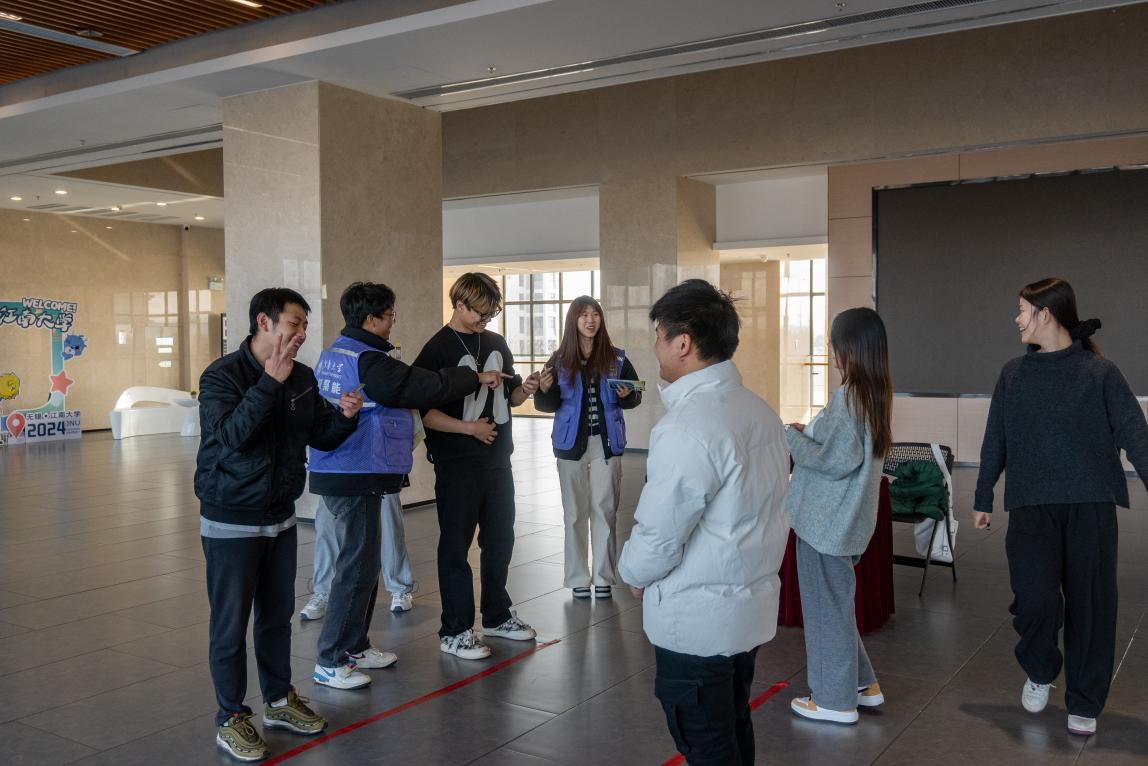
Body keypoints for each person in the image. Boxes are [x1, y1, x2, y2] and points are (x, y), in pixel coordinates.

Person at [619, 279, 790, 766]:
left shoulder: (688, 426)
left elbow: (660, 532)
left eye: (659, 335)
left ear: (683, 343)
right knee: (732, 726)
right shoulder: (758, 411)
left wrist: (633, 572)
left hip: (696, 622)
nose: (655, 347)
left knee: (708, 744)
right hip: (746, 611)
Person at [306, 282, 506, 690]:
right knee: (355, 568)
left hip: (358, 471)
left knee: (365, 564)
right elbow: (422, 386)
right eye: (389, 315)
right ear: (371, 319)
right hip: (354, 470)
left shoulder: (342, 352)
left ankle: (355, 646)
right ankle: (331, 659)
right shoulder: (368, 360)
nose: (393, 321)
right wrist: (472, 377)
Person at [974, 277, 1148, 737]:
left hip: (1091, 505)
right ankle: (1040, 667)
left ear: (1045, 313)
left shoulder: (1099, 372)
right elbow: (996, 438)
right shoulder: (1013, 374)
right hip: (1031, 507)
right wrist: (982, 494)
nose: (1016, 319)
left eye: (1021, 310)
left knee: (1091, 607)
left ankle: (1085, 700)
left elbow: (1135, 434)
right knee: (1034, 603)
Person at [195, 288, 361, 762]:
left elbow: (319, 434)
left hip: (280, 517)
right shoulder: (222, 376)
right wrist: (269, 383)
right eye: (294, 322)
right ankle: (231, 717)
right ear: (264, 322)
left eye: (305, 324)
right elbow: (232, 437)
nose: (302, 332)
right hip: (231, 518)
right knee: (230, 625)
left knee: (275, 618)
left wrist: (345, 417)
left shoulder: (302, 378)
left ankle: (278, 700)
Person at [412, 272, 540, 660]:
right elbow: (423, 411)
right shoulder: (437, 349)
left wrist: (526, 390)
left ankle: (497, 616)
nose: (486, 319)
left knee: (500, 540)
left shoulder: (496, 342)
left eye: (491, 313)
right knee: (456, 545)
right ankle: (455, 630)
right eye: (480, 313)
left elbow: (510, 397)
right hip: (457, 464)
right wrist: (469, 429)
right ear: (459, 304)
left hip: (498, 460)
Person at [785, 307, 892, 726]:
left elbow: (832, 459)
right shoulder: (873, 394)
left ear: (851, 348)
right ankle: (862, 684)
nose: (832, 352)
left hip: (825, 523)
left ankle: (832, 700)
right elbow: (841, 448)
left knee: (824, 610)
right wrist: (808, 434)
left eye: (835, 344)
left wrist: (790, 437)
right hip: (844, 522)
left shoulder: (850, 397)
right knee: (836, 605)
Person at [533, 296, 642, 599]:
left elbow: (635, 394)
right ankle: (578, 578)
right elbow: (547, 404)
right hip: (570, 444)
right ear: (574, 320)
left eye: (595, 314)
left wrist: (627, 395)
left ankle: (604, 577)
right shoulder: (558, 360)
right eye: (584, 315)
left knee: (605, 511)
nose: (590, 320)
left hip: (606, 444)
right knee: (574, 514)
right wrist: (544, 390)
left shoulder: (617, 358)